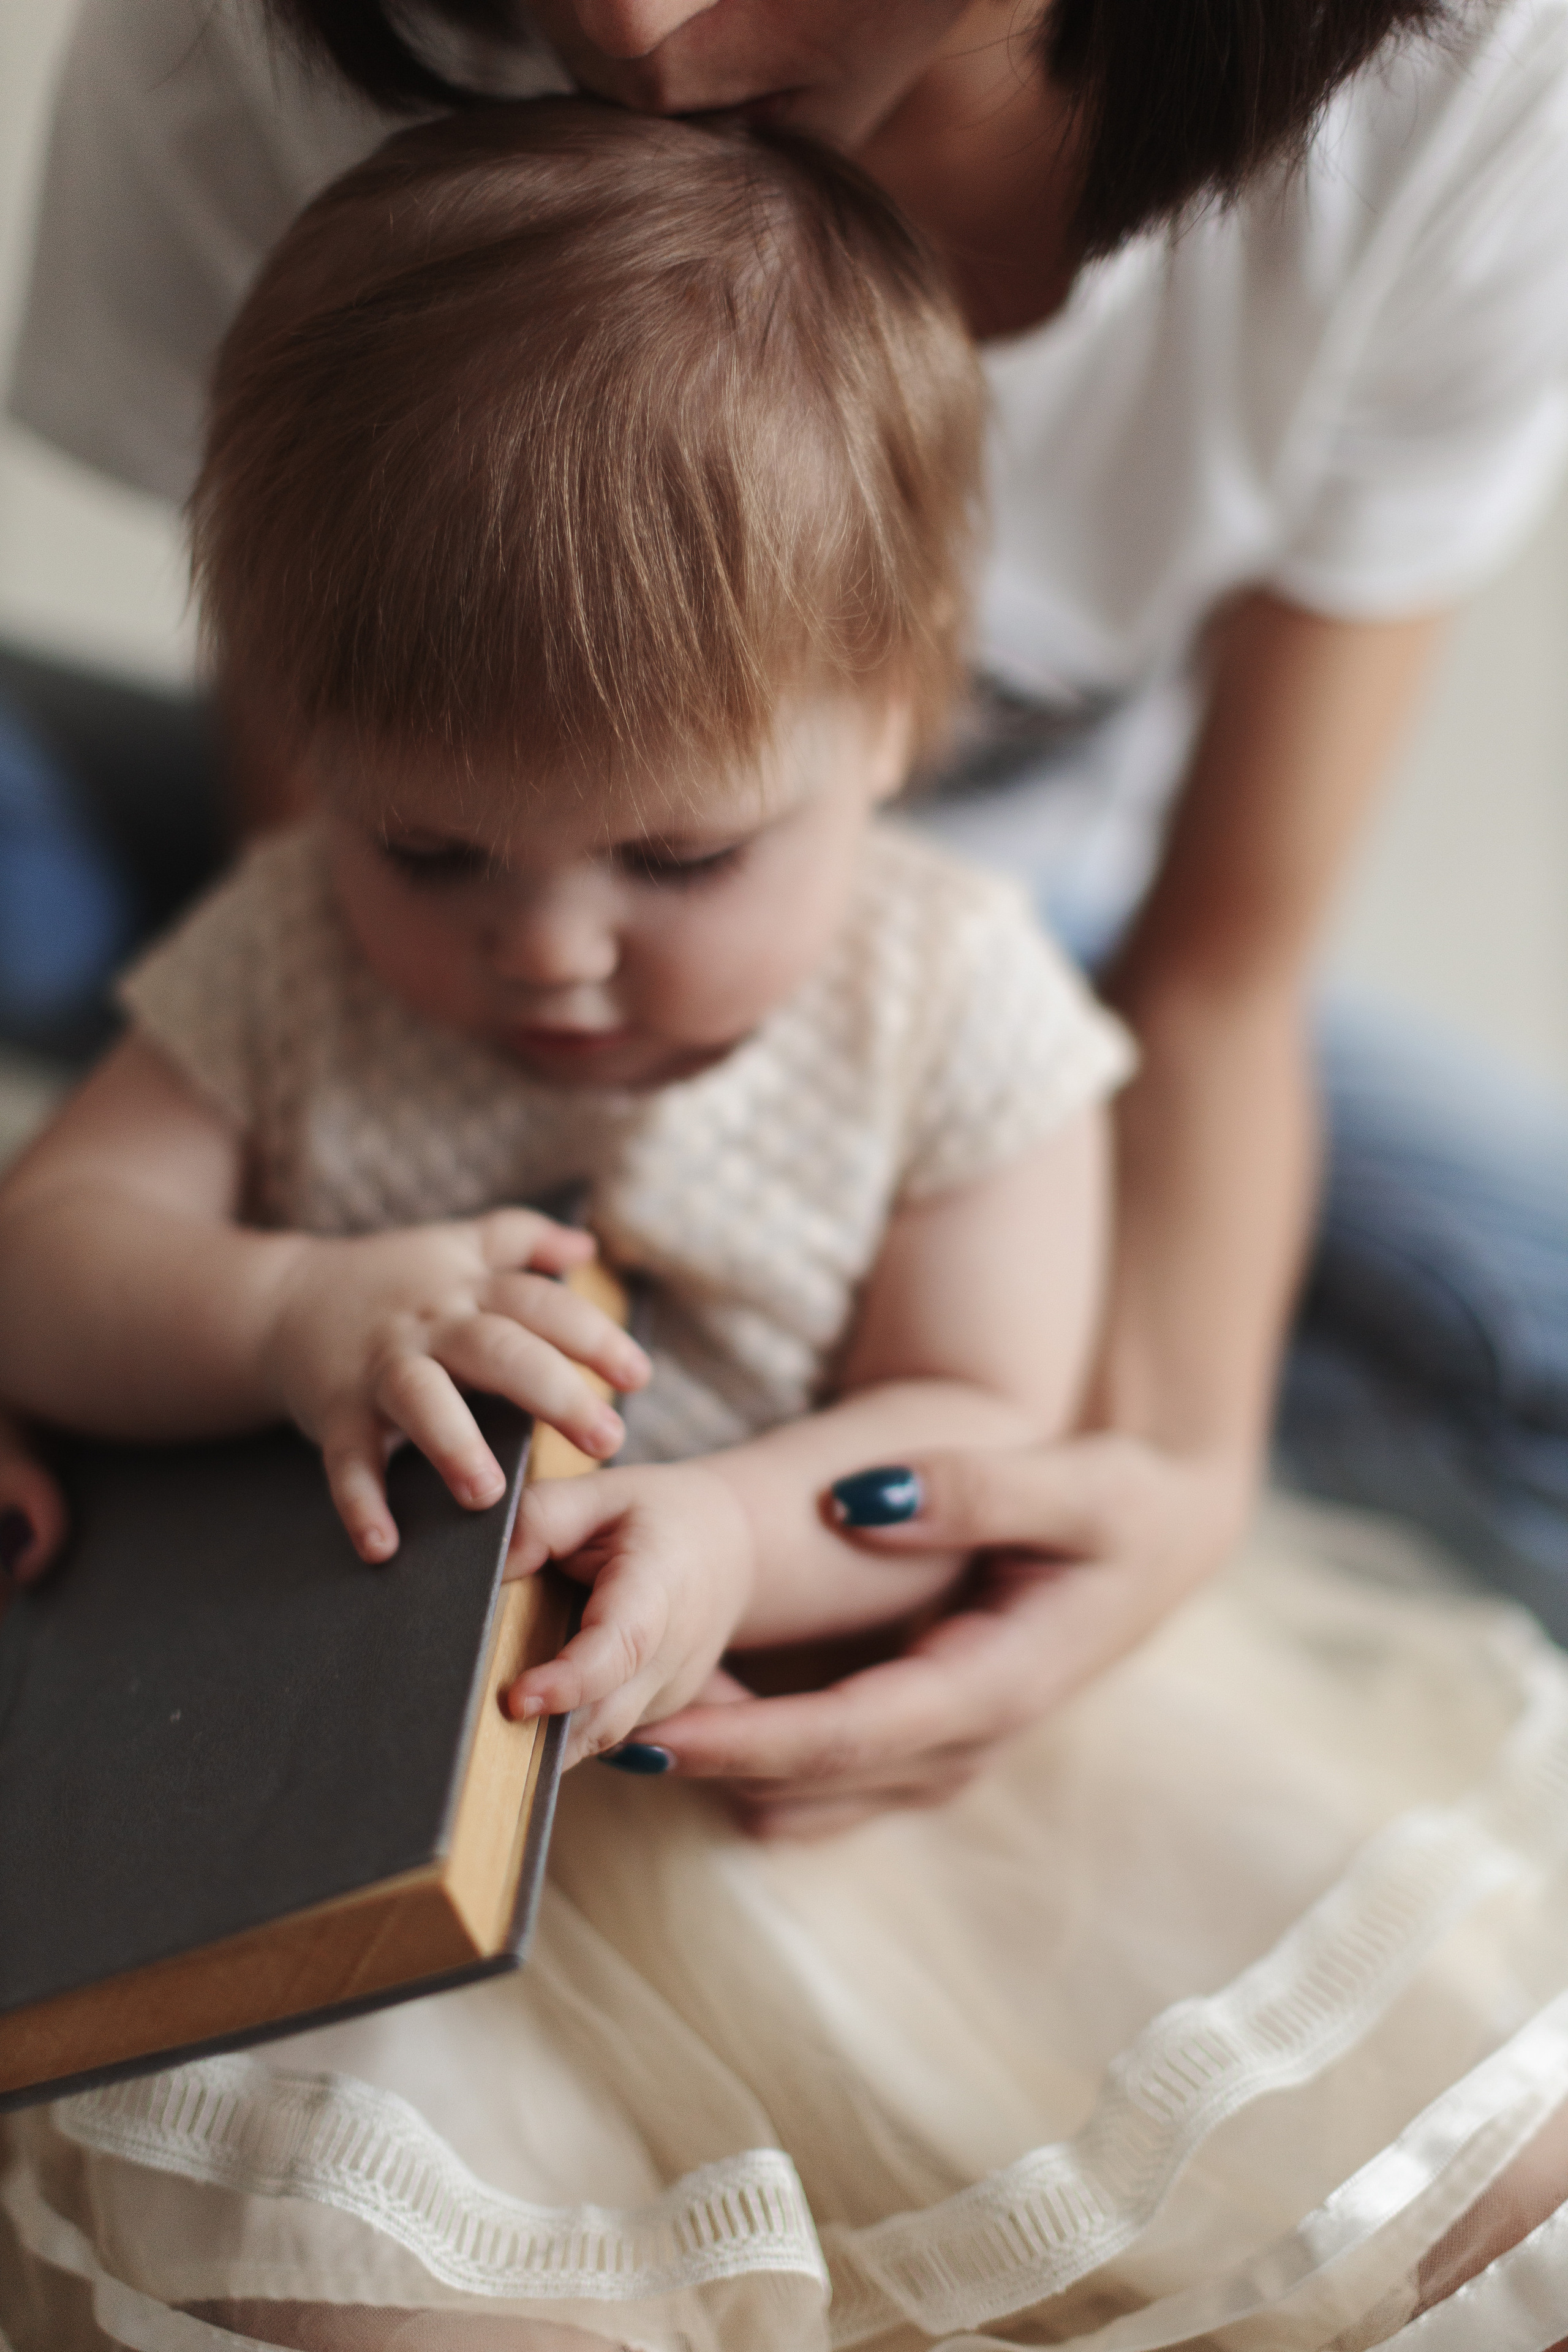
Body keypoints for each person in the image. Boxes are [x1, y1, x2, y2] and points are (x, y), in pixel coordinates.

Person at [8, 94, 1568, 2351]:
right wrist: (275, 1313)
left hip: (797, 1741)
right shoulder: (290, 957)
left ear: (896, 715)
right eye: (432, 847)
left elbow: (976, 1420)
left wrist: (741, 1535)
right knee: (402, 2274)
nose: (550, 950)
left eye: (677, 859)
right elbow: (50, 1255)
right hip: (383, 1785)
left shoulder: (953, 998)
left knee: (1393, 2154)